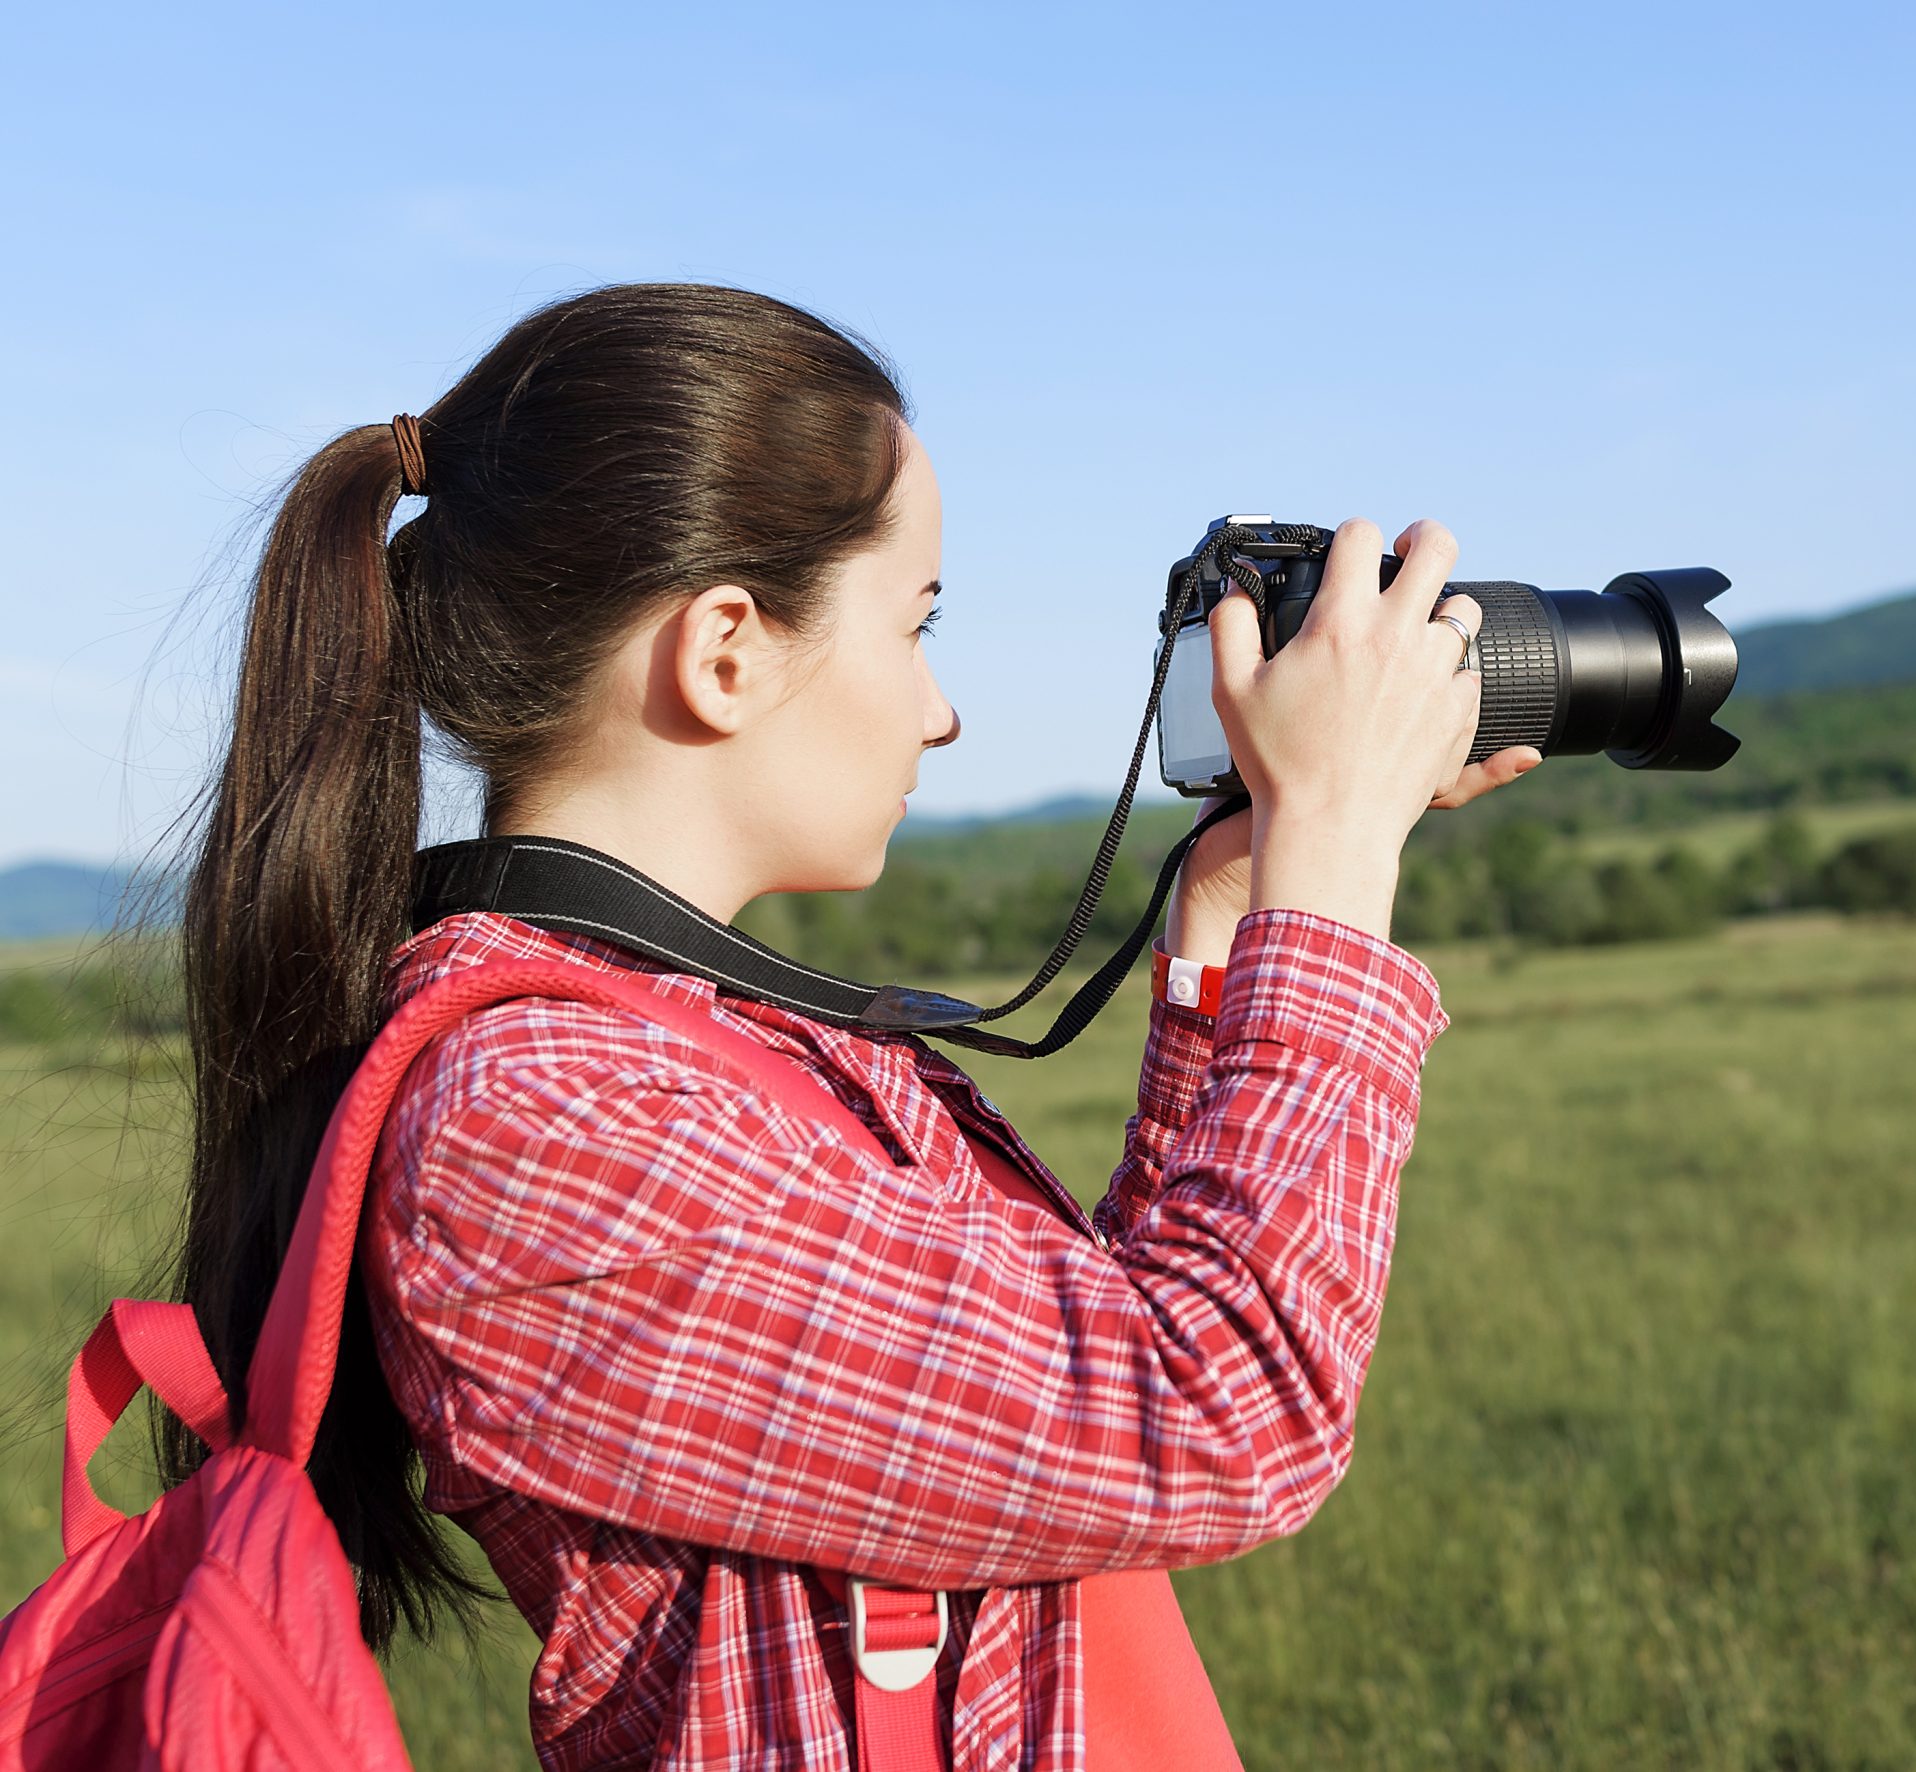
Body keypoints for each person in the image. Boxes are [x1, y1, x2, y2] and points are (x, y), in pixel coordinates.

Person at [167, 282, 1544, 1769]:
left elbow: (1075, 1372)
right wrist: (1336, 857)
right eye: (918, 622)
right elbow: (1211, 1411)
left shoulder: (713, 1052)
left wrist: (1230, 907)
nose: (941, 712)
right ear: (729, 650)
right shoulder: (541, 1120)